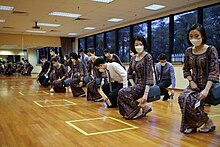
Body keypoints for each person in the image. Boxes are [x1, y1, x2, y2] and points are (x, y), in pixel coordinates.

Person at [178, 23, 219, 134]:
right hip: (194, 85)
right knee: (182, 98)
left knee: (192, 100)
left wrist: (206, 90)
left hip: (208, 86)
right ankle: (192, 124)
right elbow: (186, 69)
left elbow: (214, 71)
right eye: (191, 36)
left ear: (203, 36)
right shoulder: (188, 51)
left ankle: (208, 123)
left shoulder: (211, 50)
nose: (193, 39)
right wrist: (191, 81)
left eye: (196, 36)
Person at [117, 35, 154, 119]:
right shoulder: (133, 58)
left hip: (144, 86)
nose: (138, 46)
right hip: (136, 84)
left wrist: (145, 94)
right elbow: (129, 73)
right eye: (136, 45)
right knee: (121, 93)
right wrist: (133, 84)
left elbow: (149, 75)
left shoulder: (147, 57)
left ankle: (138, 110)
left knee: (122, 92)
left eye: (140, 44)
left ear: (144, 44)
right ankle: (142, 108)